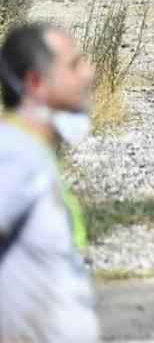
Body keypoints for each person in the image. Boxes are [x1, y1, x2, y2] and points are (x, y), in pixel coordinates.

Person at [0, 23, 99, 343]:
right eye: (74, 65)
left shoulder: (31, 152)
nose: (89, 73)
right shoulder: (15, 155)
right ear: (36, 82)